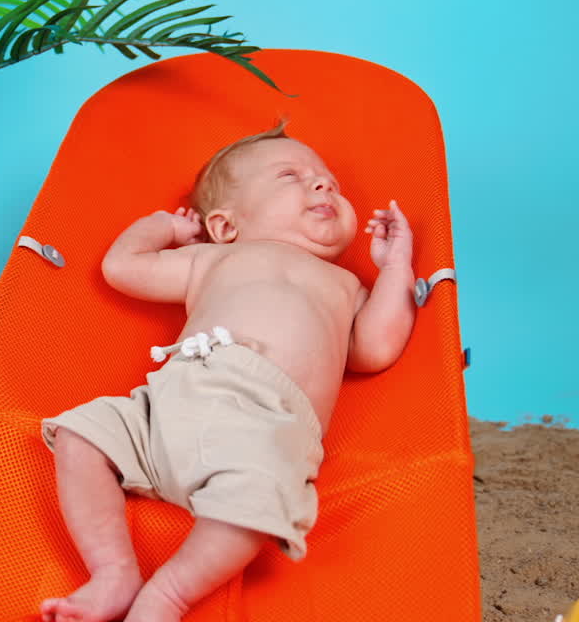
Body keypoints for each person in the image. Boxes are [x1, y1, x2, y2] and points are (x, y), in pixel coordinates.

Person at [38, 119, 417, 622]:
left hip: (266, 426)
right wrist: (167, 229)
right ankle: (112, 572)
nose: (323, 183)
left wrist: (396, 269)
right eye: (291, 176)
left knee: (258, 502)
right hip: (171, 401)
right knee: (79, 436)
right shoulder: (210, 259)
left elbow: (376, 348)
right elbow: (122, 267)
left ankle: (167, 594)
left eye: (330, 181)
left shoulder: (345, 284)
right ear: (225, 226)